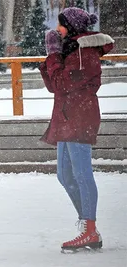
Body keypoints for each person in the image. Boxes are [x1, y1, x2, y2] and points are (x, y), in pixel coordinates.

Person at [39, 7, 114, 251]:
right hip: (65, 117)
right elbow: (54, 86)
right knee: (65, 176)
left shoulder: (85, 52)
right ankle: (88, 227)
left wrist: (53, 54)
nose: (57, 29)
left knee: (82, 174)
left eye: (61, 25)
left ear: (70, 26)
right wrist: (54, 56)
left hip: (80, 116)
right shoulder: (71, 49)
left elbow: (64, 82)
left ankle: (89, 229)